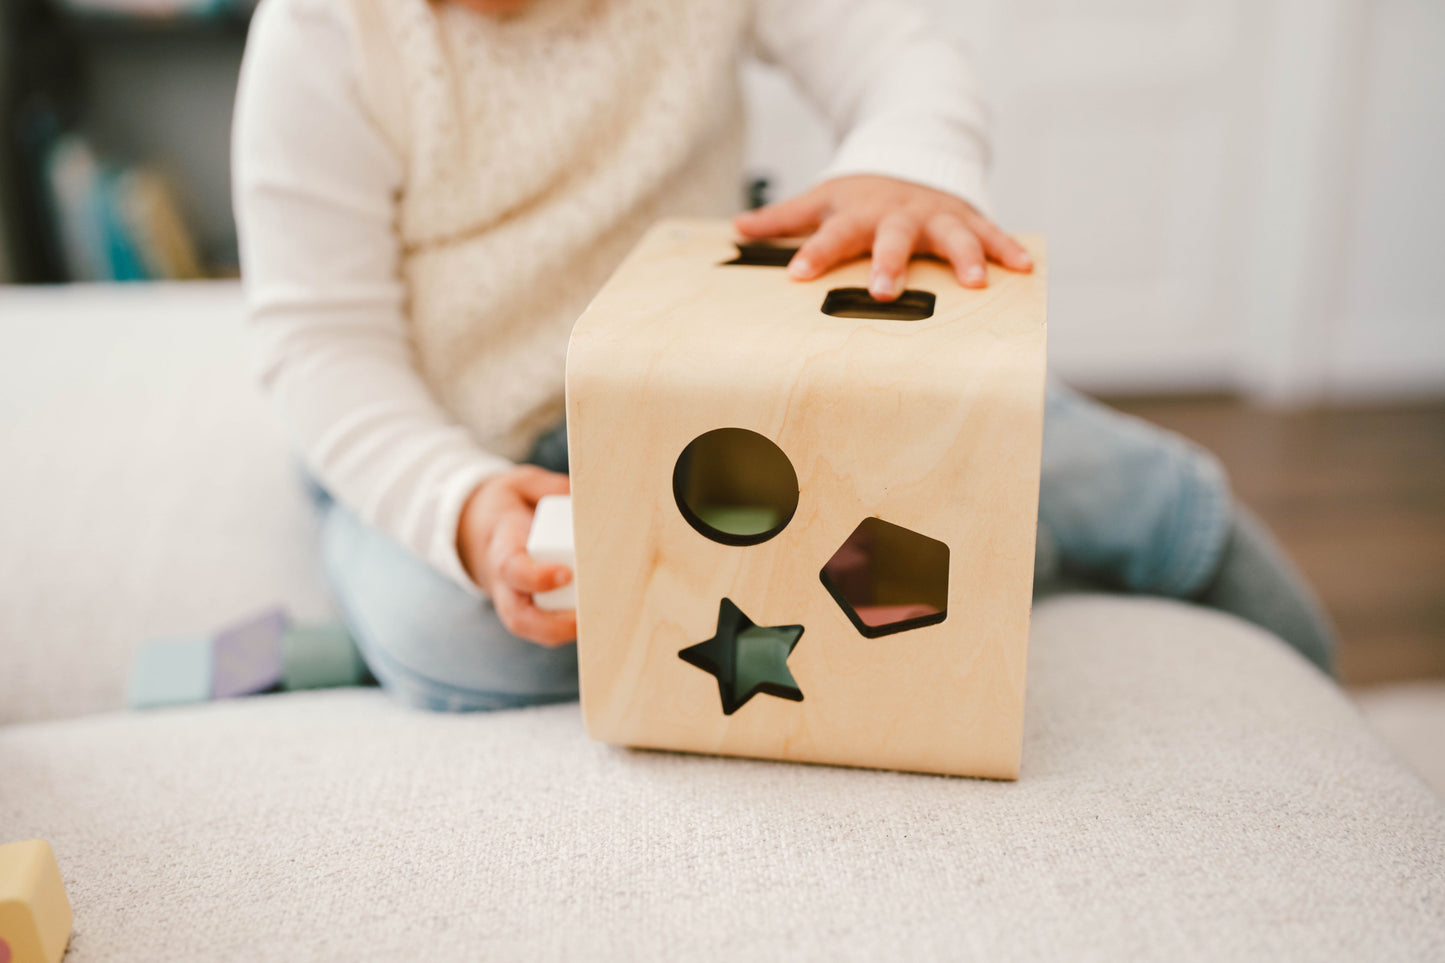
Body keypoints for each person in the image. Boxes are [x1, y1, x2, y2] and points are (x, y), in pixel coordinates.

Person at [233, 0, 1334, 712]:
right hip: (465, 429)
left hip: (710, 381)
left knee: (1137, 489)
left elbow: (898, 48)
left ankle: (1038, 545)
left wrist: (908, 160)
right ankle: (1001, 553)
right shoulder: (326, 34)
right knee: (455, 639)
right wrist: (459, 508)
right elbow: (320, 340)